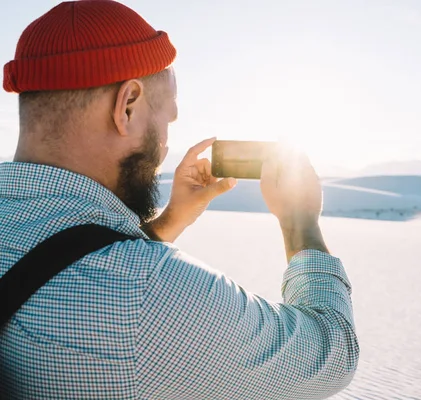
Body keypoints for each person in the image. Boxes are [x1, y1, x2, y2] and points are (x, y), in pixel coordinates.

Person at [0, 1, 359, 399]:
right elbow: (331, 353)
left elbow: (50, 262)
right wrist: (300, 222)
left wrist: (169, 222)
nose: (166, 141)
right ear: (128, 106)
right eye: (167, 117)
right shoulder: (145, 293)